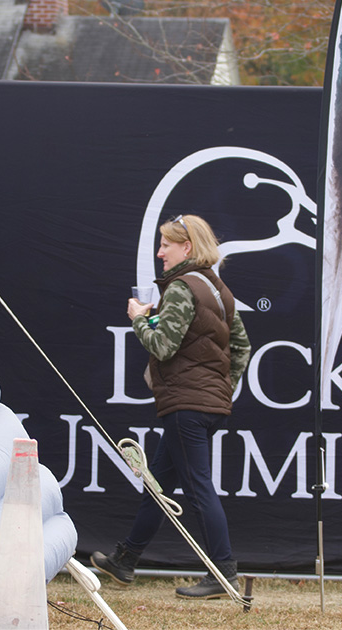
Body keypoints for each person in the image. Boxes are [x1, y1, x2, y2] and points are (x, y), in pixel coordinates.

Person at [91, 213, 251, 600]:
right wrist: (220, 390)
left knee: (198, 488)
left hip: (186, 404)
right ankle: (125, 560)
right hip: (204, 404)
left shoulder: (182, 287)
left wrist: (139, 319)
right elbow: (242, 349)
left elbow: (162, 346)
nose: (159, 252)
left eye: (166, 244)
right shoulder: (220, 291)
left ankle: (224, 571)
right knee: (158, 486)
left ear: (188, 247)